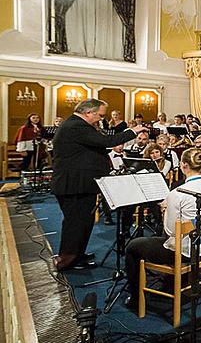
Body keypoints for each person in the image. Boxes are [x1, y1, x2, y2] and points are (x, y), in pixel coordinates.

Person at [51, 99, 145, 271]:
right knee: (75, 222)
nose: (101, 120)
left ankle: (77, 254)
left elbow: (92, 147)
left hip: (81, 184)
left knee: (84, 221)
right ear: (89, 113)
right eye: (100, 116)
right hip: (74, 184)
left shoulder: (78, 126)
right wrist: (132, 131)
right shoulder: (75, 126)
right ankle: (67, 260)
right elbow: (106, 142)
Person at [123, 148, 201, 309]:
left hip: (184, 251)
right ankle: (171, 281)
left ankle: (136, 297)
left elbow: (171, 231)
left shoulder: (177, 193)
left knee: (133, 247)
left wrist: (165, 209)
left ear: (183, 166)